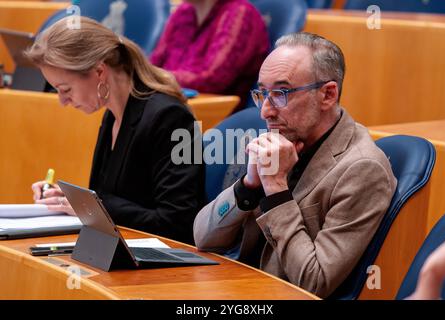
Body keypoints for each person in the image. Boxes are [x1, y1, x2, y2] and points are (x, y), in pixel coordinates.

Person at [193, 32, 397, 298]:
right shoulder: (283, 141)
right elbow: (203, 238)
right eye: (262, 93)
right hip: (240, 288)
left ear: (327, 94)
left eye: (280, 93)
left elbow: (313, 283)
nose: (265, 110)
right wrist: (249, 186)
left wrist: (276, 189)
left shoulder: (363, 169)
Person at [27, 17, 203, 244]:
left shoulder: (171, 117)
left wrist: (91, 206)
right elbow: (112, 201)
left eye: (65, 89)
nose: (62, 101)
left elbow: (178, 222)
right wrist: (68, 200)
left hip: (167, 262)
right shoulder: (112, 114)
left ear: (99, 72)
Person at [150, 0, 270, 112]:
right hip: (170, 102)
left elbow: (212, 80)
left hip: (215, 115)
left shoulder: (240, 13)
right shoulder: (183, 11)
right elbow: (154, 62)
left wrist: (157, 76)